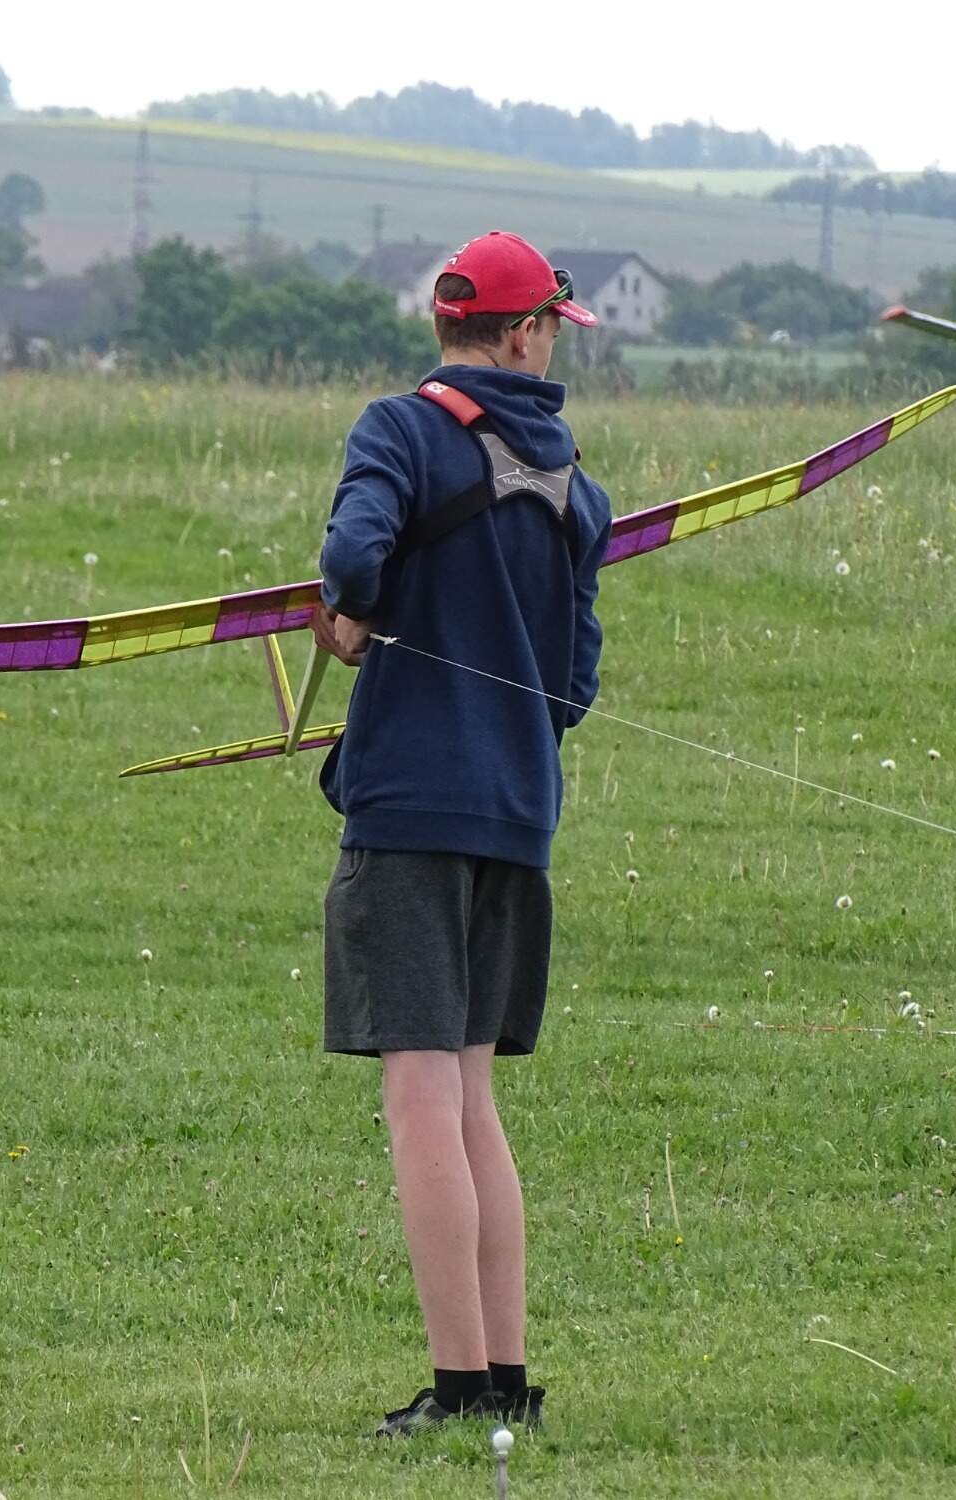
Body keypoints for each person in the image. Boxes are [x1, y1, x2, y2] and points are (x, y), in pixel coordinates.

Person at [308, 230, 611, 1438]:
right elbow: (573, 686)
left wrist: (350, 618)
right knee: (471, 1094)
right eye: (551, 330)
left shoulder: (397, 430)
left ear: (447, 328)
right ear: (524, 333)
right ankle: (502, 1380)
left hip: (410, 808)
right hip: (517, 817)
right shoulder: (578, 487)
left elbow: (349, 556)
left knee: (420, 1092)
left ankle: (454, 1389)